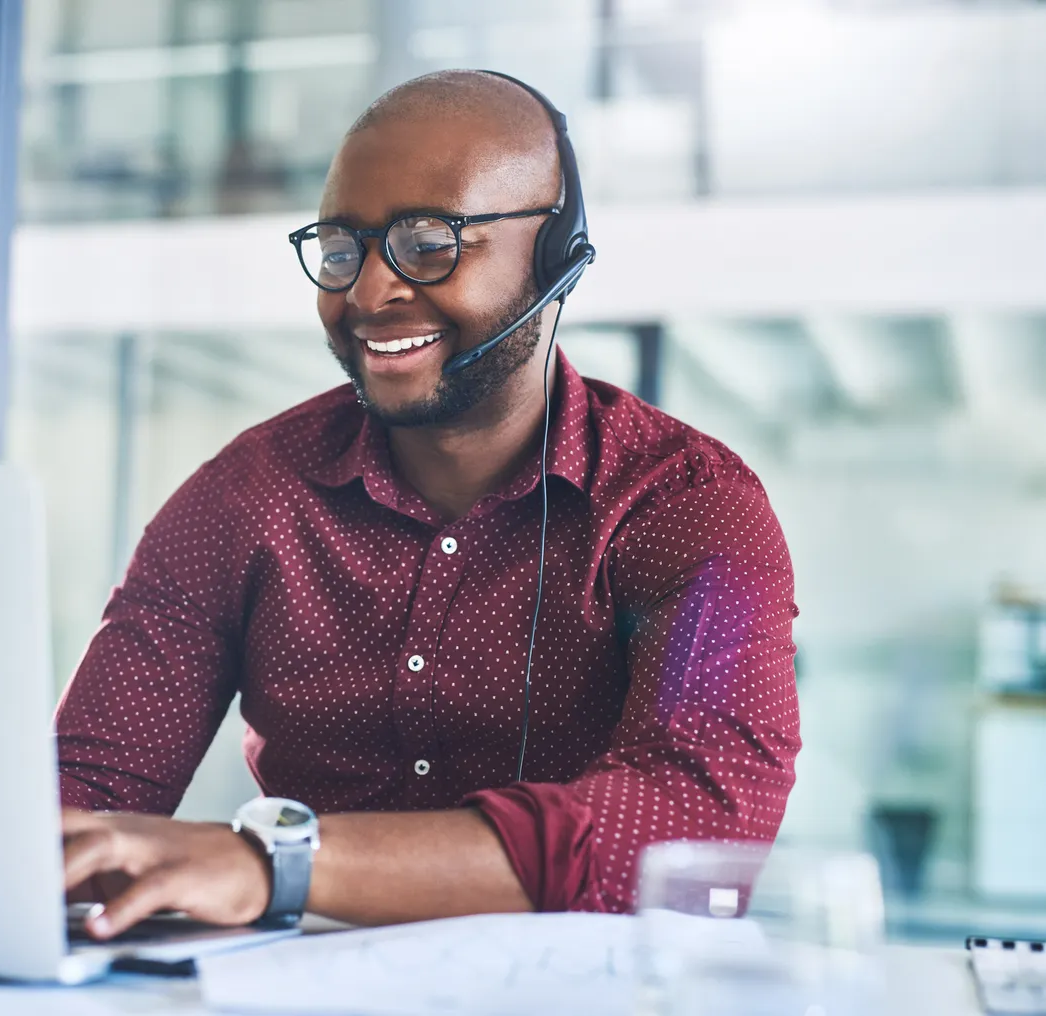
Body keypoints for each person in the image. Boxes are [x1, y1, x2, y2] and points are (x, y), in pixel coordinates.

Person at [56, 69, 800, 939]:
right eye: (342, 249)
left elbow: (690, 821)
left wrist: (279, 866)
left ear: (555, 253)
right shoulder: (242, 500)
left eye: (429, 242)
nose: (369, 295)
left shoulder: (686, 505)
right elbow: (86, 797)